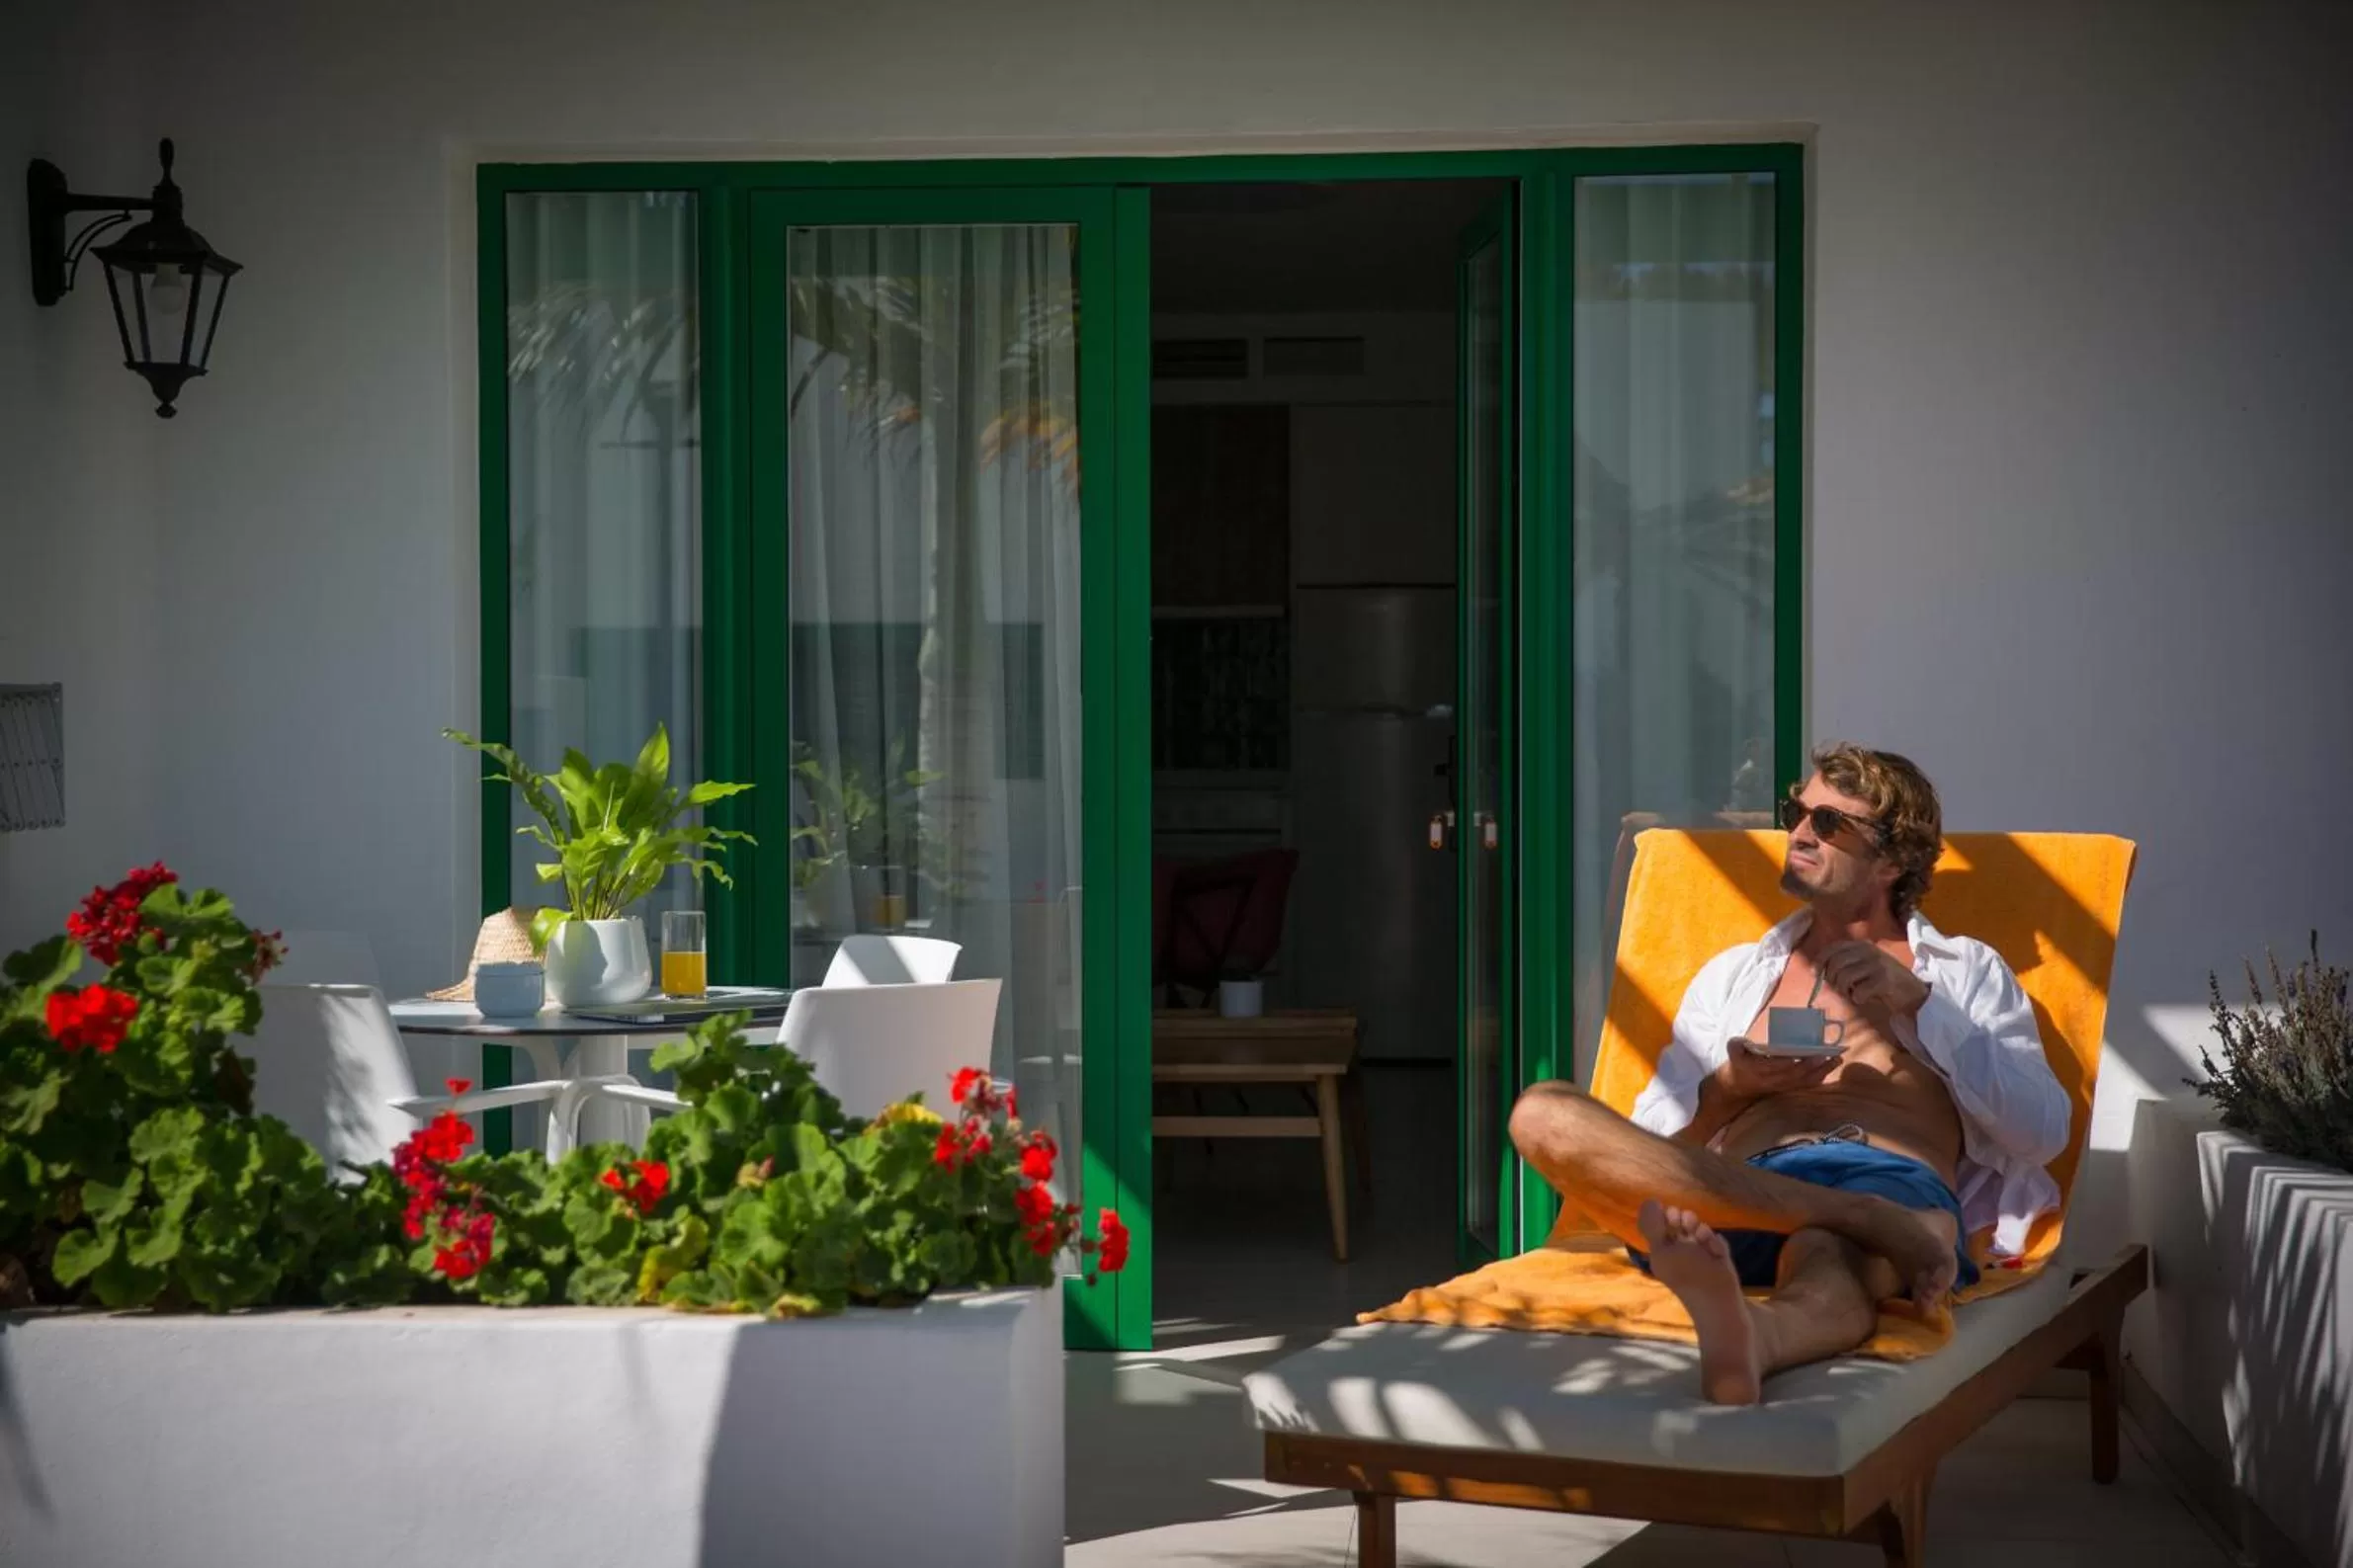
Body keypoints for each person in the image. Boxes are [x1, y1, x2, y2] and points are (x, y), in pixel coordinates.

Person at [1508, 744, 2069, 1404]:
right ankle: (1859, 1218)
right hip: (1737, 1186)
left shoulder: (1960, 971)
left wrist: (1921, 1005)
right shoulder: (1734, 974)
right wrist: (1728, 1091)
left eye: (1829, 824)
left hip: (1884, 1176)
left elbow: (2042, 1131)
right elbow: (1652, 1141)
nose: (1798, 832)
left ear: (1891, 860)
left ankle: (1759, 1332)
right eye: (1795, 812)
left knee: (1827, 1252)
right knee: (1540, 1111)